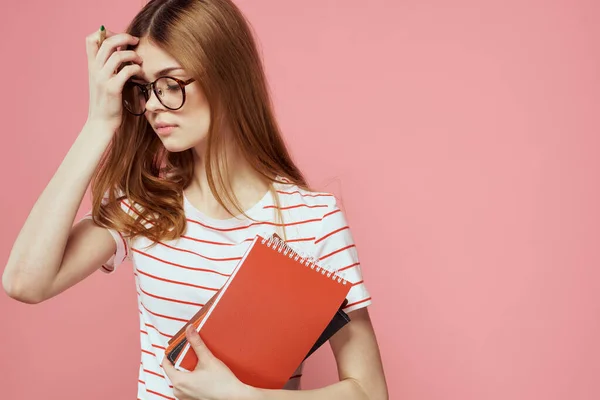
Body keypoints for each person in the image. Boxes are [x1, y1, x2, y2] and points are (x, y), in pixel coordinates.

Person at [2, 0, 388, 399]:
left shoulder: (312, 220)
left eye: (171, 83)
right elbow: (24, 282)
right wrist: (98, 123)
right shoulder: (143, 204)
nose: (152, 105)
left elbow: (370, 392)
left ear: (226, 77)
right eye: (145, 89)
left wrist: (242, 396)